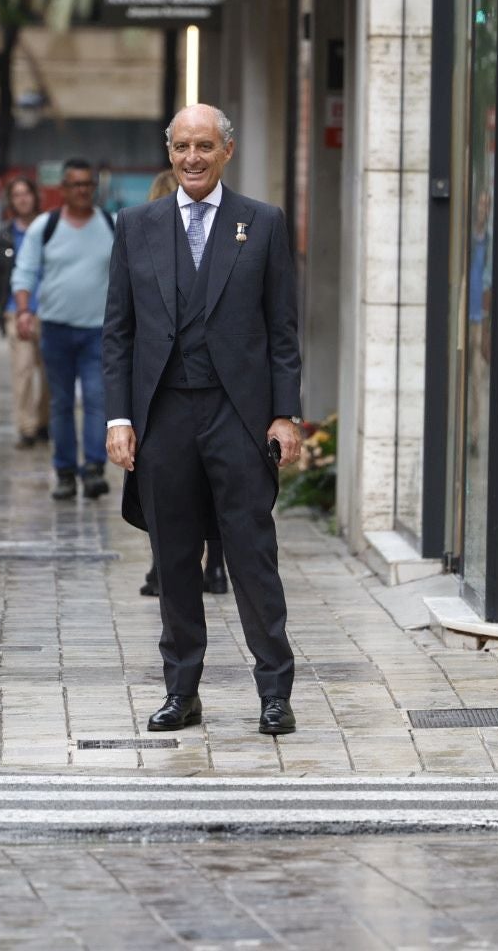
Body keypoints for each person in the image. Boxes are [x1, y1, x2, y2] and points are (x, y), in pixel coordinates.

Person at [104, 104, 303, 736]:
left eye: (205, 146)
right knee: (174, 557)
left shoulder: (262, 224)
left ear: (227, 151)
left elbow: (282, 333)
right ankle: (181, 691)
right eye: (183, 146)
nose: (193, 158)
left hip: (237, 416)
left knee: (251, 557)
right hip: (164, 417)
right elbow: (119, 333)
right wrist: (119, 417)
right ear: (169, 152)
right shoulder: (136, 226)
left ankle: (275, 692)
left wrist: (284, 414)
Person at [135, 167, 227, 600]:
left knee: (186, 490)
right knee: (193, 487)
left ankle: (174, 567)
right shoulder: (138, 228)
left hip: (211, 390)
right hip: (167, 389)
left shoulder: (244, 225)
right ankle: (208, 567)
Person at [12, 157, 116, 501]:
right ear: (64, 189)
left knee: (96, 398)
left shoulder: (110, 225)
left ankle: (94, 469)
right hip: (55, 328)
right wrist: (25, 310)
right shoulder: (46, 226)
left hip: (98, 331)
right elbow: (25, 271)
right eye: (76, 185)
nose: (83, 190)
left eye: (88, 184)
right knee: (60, 403)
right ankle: (67, 471)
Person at [0, 176, 49, 448]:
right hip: (14, 311)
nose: (22, 199)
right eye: (17, 194)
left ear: (35, 196)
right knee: (22, 371)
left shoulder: (50, 228)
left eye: (26, 193)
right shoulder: (5, 235)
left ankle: (44, 422)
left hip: (49, 310)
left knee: (48, 374)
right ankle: (27, 427)